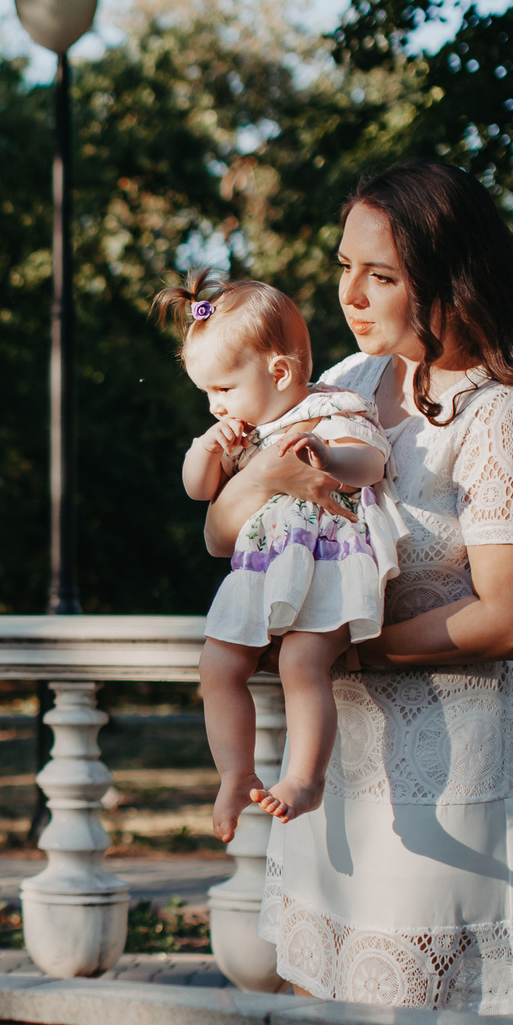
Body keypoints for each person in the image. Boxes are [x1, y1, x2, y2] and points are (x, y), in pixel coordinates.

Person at [205, 160, 513, 1013]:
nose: (351, 293)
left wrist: (349, 641)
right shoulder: (337, 386)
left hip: (447, 786)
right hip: (334, 772)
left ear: (450, 278)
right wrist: (267, 474)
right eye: (345, 266)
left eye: (381, 275)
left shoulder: (502, 417)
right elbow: (222, 531)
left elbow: (510, 620)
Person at [168, 275, 405, 842]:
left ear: (278, 372)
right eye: (206, 393)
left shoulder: (333, 409)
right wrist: (206, 447)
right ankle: (235, 772)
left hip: (327, 565)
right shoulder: (243, 432)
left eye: (222, 389)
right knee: (217, 667)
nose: (214, 405)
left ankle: (304, 777)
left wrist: (326, 456)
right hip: (263, 569)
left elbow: (371, 463)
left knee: (302, 664)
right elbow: (199, 491)